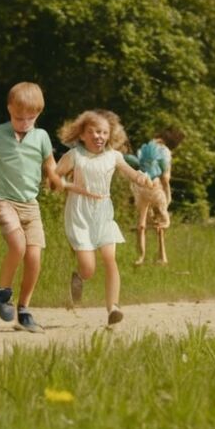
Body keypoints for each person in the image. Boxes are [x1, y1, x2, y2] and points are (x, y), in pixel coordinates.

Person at [0, 82, 62, 333]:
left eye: (29, 118)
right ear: (9, 109)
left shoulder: (41, 137)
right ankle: (3, 292)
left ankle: (24, 310)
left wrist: (55, 179)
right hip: (4, 201)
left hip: (31, 205)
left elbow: (50, 165)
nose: (23, 122)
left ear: (38, 114)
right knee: (17, 246)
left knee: (34, 258)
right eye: (18, 117)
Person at [57, 110, 150, 326]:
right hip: (79, 215)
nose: (99, 136)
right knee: (89, 268)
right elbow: (54, 176)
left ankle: (113, 308)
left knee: (110, 258)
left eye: (103, 132)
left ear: (110, 135)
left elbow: (131, 173)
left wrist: (142, 178)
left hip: (104, 213)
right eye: (93, 132)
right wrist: (66, 184)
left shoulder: (114, 156)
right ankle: (79, 277)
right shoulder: (74, 156)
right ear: (82, 135)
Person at [131, 127, 185, 266]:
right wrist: (167, 195)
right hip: (156, 187)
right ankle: (161, 256)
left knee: (142, 222)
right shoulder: (165, 151)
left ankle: (141, 257)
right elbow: (165, 177)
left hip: (139, 185)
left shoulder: (145, 148)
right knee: (162, 221)